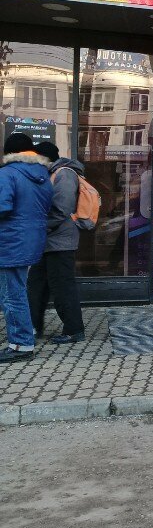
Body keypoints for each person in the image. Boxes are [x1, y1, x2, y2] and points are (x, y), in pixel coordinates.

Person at [0, 133, 53, 363]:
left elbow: (2, 207)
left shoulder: (7, 174)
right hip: (30, 239)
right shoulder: (42, 175)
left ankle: (21, 344)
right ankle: (24, 335)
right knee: (16, 291)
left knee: (12, 295)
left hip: (10, 241)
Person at [27, 141, 86, 343]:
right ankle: (32, 327)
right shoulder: (52, 174)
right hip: (47, 241)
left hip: (61, 242)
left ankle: (74, 330)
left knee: (62, 286)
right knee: (36, 285)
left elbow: (62, 208)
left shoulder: (65, 174)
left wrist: (39, 226)